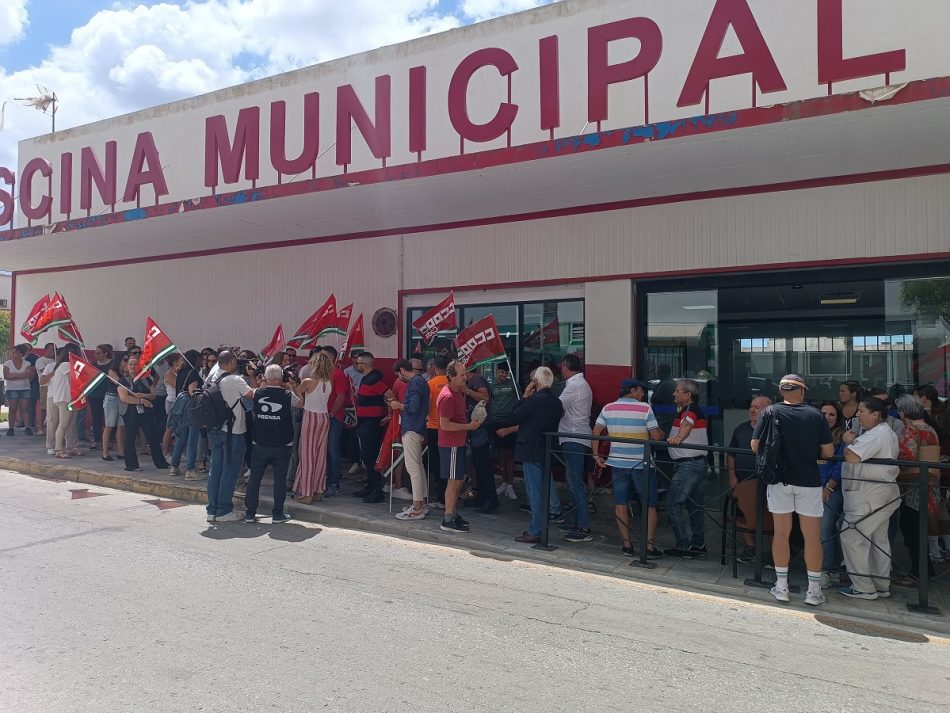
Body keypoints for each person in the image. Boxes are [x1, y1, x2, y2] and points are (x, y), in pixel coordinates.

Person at [752, 374, 833, 606]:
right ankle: (814, 590)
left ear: (781, 391)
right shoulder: (816, 415)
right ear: (803, 391)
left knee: (781, 533)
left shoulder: (769, 412)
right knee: (811, 536)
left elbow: (755, 445)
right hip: (808, 480)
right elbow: (827, 452)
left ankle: (782, 586)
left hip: (778, 480)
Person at [592, 378, 664, 557]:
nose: (642, 394)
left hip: (617, 462)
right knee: (650, 505)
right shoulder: (645, 408)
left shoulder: (608, 408)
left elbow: (596, 431)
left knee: (621, 504)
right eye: (641, 390)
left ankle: (627, 545)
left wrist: (596, 455)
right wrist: (662, 432)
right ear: (632, 390)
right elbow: (656, 436)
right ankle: (648, 546)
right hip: (642, 463)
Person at [838, 397, 901, 600]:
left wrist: (848, 441)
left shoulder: (877, 434)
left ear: (875, 414)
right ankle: (881, 584)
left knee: (852, 536)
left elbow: (852, 456)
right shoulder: (885, 433)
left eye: (862, 411)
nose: (858, 415)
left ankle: (863, 586)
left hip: (869, 494)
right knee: (878, 539)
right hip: (881, 493)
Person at [496, 366, 563, 544]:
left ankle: (535, 530)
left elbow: (514, 415)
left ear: (536, 382)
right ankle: (539, 527)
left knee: (534, 491)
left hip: (531, 449)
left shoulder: (534, 400)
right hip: (547, 449)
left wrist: (525, 395)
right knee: (543, 489)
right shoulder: (557, 402)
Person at [244, 363, 300, 523]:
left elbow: (254, 393)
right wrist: (291, 385)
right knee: (280, 480)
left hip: (260, 442)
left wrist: (259, 380)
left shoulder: (257, 393)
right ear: (281, 377)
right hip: (282, 443)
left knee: (255, 478)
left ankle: (250, 513)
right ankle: (277, 514)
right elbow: (300, 403)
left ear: (266, 378)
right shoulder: (288, 395)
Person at [204, 351, 256, 523]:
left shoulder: (211, 375)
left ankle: (212, 510)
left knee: (215, 470)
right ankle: (224, 510)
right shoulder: (234, 380)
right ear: (233, 361)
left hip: (216, 428)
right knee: (231, 470)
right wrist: (253, 376)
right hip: (233, 431)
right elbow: (252, 395)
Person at [893, 394, 940, 585]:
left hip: (913, 487)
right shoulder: (930, 428)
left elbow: (906, 456)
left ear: (903, 412)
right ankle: (925, 571)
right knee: (919, 530)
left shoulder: (911, 429)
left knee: (912, 530)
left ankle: (919, 574)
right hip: (929, 485)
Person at [664, 378, 709, 559]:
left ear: (688, 395)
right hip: (697, 463)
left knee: (672, 504)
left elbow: (687, 425)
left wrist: (678, 439)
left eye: (677, 391)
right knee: (694, 506)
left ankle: (683, 545)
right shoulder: (689, 409)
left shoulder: (689, 410)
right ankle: (698, 544)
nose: (674, 393)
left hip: (688, 464)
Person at [438, 360, 484, 533]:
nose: (466, 377)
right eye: (462, 375)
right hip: (451, 444)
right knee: (453, 481)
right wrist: (469, 426)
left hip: (459, 443)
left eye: (465, 374)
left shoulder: (457, 392)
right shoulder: (448, 396)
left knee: (459, 480)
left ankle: (453, 513)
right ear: (451, 377)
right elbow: (445, 425)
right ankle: (448, 518)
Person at [727, 395, 772, 563]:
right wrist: (732, 476)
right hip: (742, 482)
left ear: (767, 411)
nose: (752, 410)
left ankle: (775, 555)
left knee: (770, 518)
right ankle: (750, 547)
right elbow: (731, 454)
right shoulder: (740, 429)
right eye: (751, 406)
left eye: (757, 407)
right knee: (743, 515)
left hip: (767, 483)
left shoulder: (772, 430)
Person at [558, 353, 594, 542]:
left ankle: (583, 526)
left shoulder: (574, 386)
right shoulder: (581, 384)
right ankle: (575, 520)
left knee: (575, 483)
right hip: (576, 436)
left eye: (561, 367)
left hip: (573, 437)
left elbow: (557, 407)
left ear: (565, 366)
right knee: (573, 481)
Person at [389, 359, 430, 520]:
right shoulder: (422, 381)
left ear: (402, 370)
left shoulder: (415, 383)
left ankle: (417, 507)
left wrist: (397, 405)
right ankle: (422, 504)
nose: (400, 379)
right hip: (419, 427)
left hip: (412, 427)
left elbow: (412, 407)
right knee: (418, 467)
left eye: (399, 376)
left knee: (413, 468)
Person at [118, 353, 170, 473]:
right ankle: (131, 464)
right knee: (130, 436)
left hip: (146, 412)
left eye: (135, 364)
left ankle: (161, 463)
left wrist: (143, 396)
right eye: (130, 364)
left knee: (152, 436)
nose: (132, 366)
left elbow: (153, 395)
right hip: (130, 412)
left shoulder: (146, 379)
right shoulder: (123, 380)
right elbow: (124, 398)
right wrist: (140, 401)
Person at [292, 351, 333, 504]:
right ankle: (318, 489)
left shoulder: (308, 381)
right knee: (320, 456)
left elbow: (298, 398)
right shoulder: (329, 382)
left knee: (307, 455)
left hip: (311, 416)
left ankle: (307, 492)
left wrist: (292, 386)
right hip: (324, 417)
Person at [353, 352, 390, 504]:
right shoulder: (366, 379)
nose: (357, 365)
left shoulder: (375, 380)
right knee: (366, 457)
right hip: (364, 421)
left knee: (370, 456)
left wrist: (388, 415)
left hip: (371, 423)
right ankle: (370, 486)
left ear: (365, 364)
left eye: (359, 363)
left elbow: (390, 395)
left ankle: (377, 491)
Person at [818, 401, 846, 588]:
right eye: (824, 413)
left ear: (838, 418)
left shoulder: (841, 437)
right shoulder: (812, 432)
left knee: (825, 528)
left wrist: (829, 487)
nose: (827, 417)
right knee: (819, 530)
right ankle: (829, 566)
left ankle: (827, 569)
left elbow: (840, 466)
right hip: (811, 488)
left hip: (831, 489)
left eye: (831, 414)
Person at [460, 366, 496, 513]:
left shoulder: (476, 379)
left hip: (481, 427)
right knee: (477, 465)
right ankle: (482, 497)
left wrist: (467, 390)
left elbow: (485, 397)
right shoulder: (472, 381)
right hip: (475, 428)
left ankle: (490, 501)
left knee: (483, 465)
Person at [44, 344, 82, 458]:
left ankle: (70, 447)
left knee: (70, 424)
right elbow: (78, 375)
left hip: (71, 398)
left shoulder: (64, 365)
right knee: (63, 424)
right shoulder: (65, 365)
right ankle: (58, 449)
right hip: (64, 398)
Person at [321, 345, 349, 497]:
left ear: (332, 357)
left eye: (324, 355)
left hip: (333, 418)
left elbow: (340, 397)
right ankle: (324, 480)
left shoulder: (338, 374)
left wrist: (331, 413)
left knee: (333, 450)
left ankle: (334, 483)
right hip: (321, 416)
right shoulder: (321, 373)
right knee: (323, 451)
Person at [489, 363, 519, 500]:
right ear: (497, 371)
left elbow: (520, 400)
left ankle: (511, 485)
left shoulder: (513, 384)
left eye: (505, 373)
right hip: (496, 422)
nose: (503, 375)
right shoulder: (491, 385)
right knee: (501, 453)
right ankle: (504, 482)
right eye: (501, 372)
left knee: (510, 453)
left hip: (510, 422)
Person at [425, 356, 449, 508]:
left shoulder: (430, 384)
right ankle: (446, 495)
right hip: (449, 427)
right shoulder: (451, 382)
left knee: (436, 463)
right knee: (447, 462)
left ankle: (441, 497)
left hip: (433, 426)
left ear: (434, 367)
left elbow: (426, 407)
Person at [4, 344, 36, 436]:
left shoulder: (27, 363)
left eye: (15, 352)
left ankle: (27, 427)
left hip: (25, 388)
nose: (12, 354)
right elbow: (6, 376)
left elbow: (28, 375)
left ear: (21, 354)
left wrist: (13, 375)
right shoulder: (7, 364)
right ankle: (11, 428)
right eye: (12, 352)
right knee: (12, 409)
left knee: (25, 409)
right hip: (12, 389)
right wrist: (22, 375)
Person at [88, 344, 114, 450]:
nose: (96, 355)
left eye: (98, 353)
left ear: (105, 353)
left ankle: (110, 440)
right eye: (95, 353)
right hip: (95, 395)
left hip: (109, 394)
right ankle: (97, 439)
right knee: (96, 417)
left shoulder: (112, 365)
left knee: (110, 418)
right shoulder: (93, 365)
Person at [33, 342, 56, 437]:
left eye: (54, 349)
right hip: (45, 386)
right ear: (45, 350)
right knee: (43, 407)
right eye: (51, 349)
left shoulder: (57, 360)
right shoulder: (40, 360)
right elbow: (44, 372)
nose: (53, 352)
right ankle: (40, 428)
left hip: (56, 386)